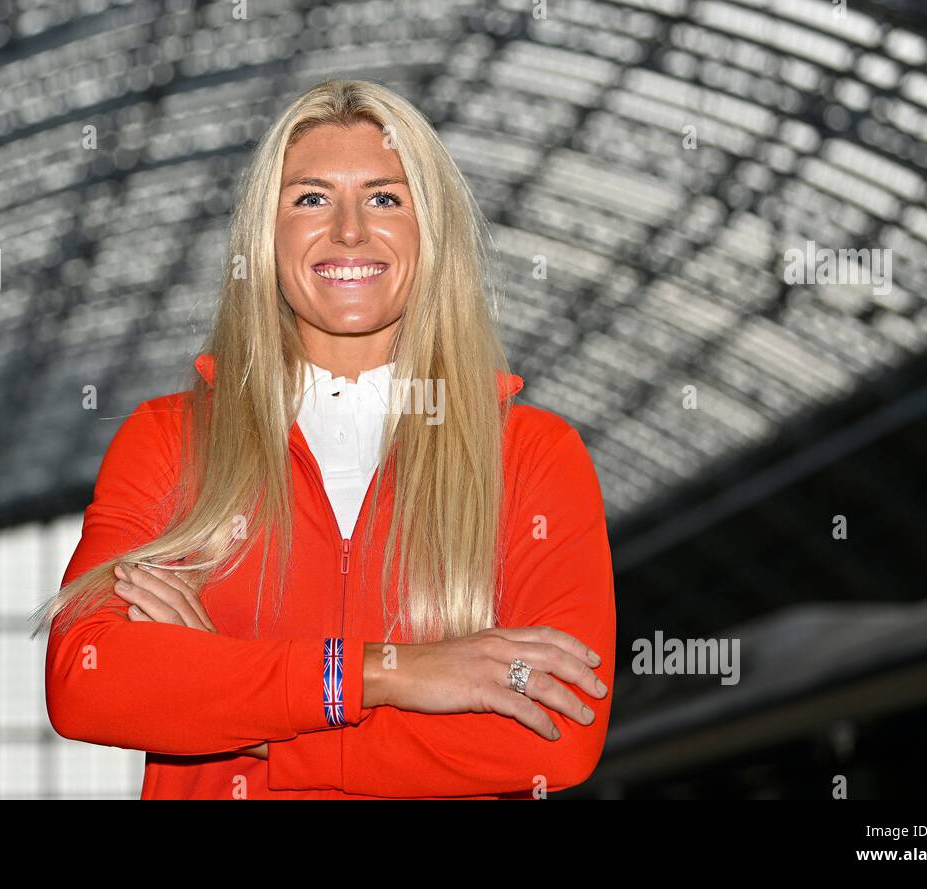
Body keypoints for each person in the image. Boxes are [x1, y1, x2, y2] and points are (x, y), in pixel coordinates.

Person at [34, 79, 615, 799]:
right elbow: (88, 679)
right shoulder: (169, 440)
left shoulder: (531, 454)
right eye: (310, 198)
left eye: (385, 198)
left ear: (430, 234)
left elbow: (559, 736)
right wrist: (382, 672)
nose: (348, 230)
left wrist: (233, 702)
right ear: (266, 236)